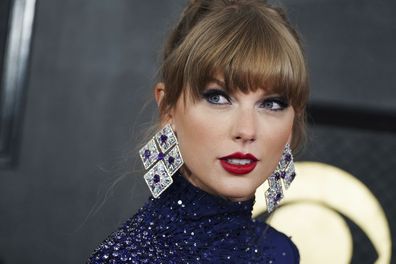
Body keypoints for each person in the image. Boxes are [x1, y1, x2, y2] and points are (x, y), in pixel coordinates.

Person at [87, 0, 308, 263]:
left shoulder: (281, 252)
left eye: (271, 104)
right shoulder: (128, 258)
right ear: (168, 110)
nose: (246, 130)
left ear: (293, 122)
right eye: (218, 98)